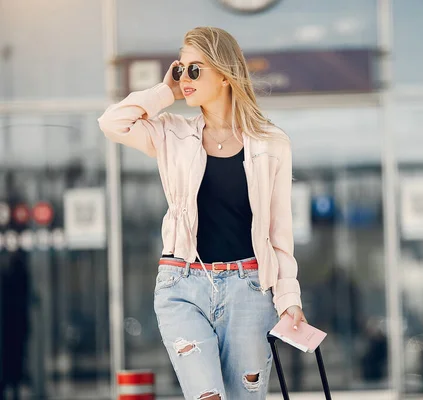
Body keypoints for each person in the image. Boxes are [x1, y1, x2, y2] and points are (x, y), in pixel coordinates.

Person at [98, 26, 305, 400]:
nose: (185, 78)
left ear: (225, 75)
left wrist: (289, 299)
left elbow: (279, 234)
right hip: (183, 286)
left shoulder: (271, 143)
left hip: (250, 290)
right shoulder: (171, 135)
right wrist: (166, 91)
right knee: (207, 395)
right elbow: (112, 123)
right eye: (181, 68)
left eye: (196, 70)